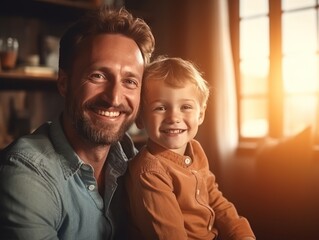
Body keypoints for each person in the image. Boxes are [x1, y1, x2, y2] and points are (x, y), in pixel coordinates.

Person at [0, 6, 155, 240]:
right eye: (98, 76)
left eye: (130, 81)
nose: (114, 98)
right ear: (64, 83)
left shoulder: (134, 160)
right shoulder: (25, 175)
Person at [126, 56, 255, 240]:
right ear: (140, 118)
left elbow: (215, 199)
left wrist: (240, 233)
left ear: (200, 115)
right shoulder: (150, 172)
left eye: (185, 106)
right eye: (160, 108)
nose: (174, 117)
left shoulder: (195, 149)